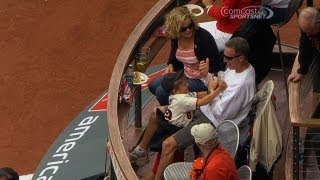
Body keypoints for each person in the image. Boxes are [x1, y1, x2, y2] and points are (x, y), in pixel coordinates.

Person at [153, 37, 256, 180]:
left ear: (242, 58)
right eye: (224, 56)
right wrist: (206, 76)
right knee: (157, 115)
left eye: (228, 57)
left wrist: (210, 91)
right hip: (205, 109)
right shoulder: (236, 69)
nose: (224, 61)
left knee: (168, 144)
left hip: (212, 120)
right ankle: (147, 161)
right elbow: (217, 87)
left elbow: (220, 113)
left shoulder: (241, 86)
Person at [130, 70, 227, 166]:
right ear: (175, 90)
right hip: (172, 128)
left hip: (172, 121)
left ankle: (142, 152)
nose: (188, 85)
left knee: (156, 114)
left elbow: (201, 95)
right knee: (167, 149)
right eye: (184, 85)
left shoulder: (180, 95)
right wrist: (218, 90)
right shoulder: (182, 100)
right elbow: (203, 102)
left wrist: (211, 89)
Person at [148, 6, 222, 106]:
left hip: (201, 79)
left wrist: (206, 70)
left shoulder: (203, 37)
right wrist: (170, 64)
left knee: (161, 93)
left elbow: (216, 64)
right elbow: (174, 56)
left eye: (190, 25)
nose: (188, 30)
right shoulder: (175, 37)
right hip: (184, 74)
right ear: (175, 29)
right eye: (183, 29)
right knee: (153, 85)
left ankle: (176, 115)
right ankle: (180, 106)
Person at [288, 7, 320, 93]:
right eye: (306, 32)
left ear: (318, 23)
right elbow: (305, 45)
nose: (308, 34)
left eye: (311, 31)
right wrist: (301, 70)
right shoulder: (308, 27)